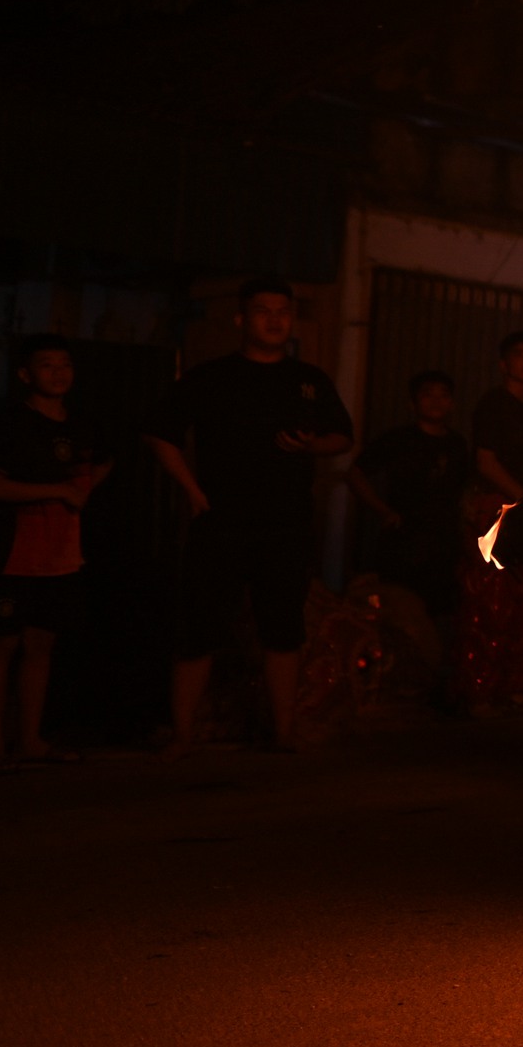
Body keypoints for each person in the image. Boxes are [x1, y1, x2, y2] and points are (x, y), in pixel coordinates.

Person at [149, 280, 354, 754]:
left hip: (286, 523)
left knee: (283, 630)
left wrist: (312, 446)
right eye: (264, 311)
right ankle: (182, 736)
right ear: (242, 319)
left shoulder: (308, 380)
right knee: (198, 629)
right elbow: (159, 433)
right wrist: (191, 490)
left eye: (283, 311)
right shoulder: (212, 377)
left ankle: (284, 732)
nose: (275, 319)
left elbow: (343, 436)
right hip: (220, 521)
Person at [0, 338, 109, 761]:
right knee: (3, 647)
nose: (59, 372)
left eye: (65, 364)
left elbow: (104, 459)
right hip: (12, 552)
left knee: (41, 645)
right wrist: (57, 491)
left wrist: (82, 489)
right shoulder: (11, 423)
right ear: (25, 374)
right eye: (47, 365)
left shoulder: (81, 423)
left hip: (61, 555)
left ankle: (30, 740)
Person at [346, 370, 472, 682]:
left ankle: (434, 684)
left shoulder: (457, 444)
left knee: (442, 613)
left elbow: (466, 492)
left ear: (452, 403)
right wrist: (383, 511)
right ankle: (395, 682)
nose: (436, 401)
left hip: (444, 542)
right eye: (428, 394)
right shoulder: (398, 440)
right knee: (399, 610)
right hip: (404, 542)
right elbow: (356, 473)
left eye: (443, 395)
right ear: (412, 403)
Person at [461, 331, 523, 718]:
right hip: (495, 510)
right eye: (520, 354)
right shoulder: (493, 405)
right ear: (504, 364)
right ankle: (479, 691)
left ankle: (517, 686)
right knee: (489, 601)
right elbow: (486, 462)